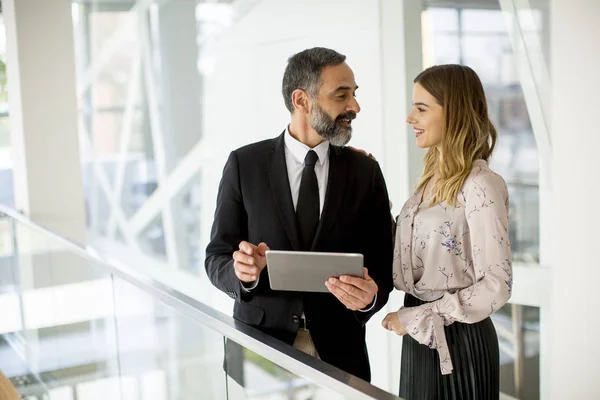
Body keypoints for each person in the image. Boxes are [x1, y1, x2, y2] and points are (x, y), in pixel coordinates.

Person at [205, 47, 393, 382]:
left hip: (341, 354)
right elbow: (216, 257)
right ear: (301, 100)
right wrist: (242, 273)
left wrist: (369, 299)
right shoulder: (244, 165)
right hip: (259, 354)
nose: (354, 107)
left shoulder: (366, 172)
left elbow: (382, 266)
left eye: (354, 94)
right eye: (341, 95)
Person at [381, 64, 512, 399]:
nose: (410, 118)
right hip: (419, 336)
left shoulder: (481, 185)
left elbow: (497, 285)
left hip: (459, 341)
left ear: (454, 113)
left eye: (422, 109)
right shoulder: (429, 182)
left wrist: (419, 317)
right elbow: (415, 255)